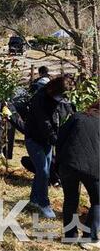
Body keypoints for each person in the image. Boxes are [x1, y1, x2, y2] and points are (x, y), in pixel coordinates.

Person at [25, 76, 75, 218]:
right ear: (55, 89)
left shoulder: (57, 99)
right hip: (34, 139)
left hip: (46, 140)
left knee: (44, 170)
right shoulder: (39, 99)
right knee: (43, 171)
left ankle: (34, 200)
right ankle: (44, 203)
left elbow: (63, 114)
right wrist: (55, 138)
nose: (63, 98)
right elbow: (44, 122)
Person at [56, 100, 99, 248]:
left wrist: (59, 161)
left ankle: (70, 236)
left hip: (68, 164)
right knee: (98, 201)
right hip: (92, 167)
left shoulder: (77, 116)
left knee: (70, 200)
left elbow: (60, 136)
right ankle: (89, 238)